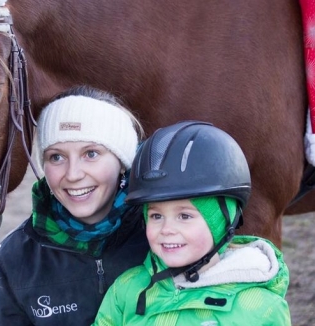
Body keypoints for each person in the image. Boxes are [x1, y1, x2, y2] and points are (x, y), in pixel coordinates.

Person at [0, 85, 150, 325]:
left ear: (122, 161)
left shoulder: (159, 235)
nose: (73, 174)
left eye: (91, 153)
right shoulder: (15, 258)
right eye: (56, 157)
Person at [93, 121, 291, 325]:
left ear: (223, 220)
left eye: (184, 216)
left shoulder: (262, 310)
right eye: (156, 216)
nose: (167, 230)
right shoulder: (127, 289)